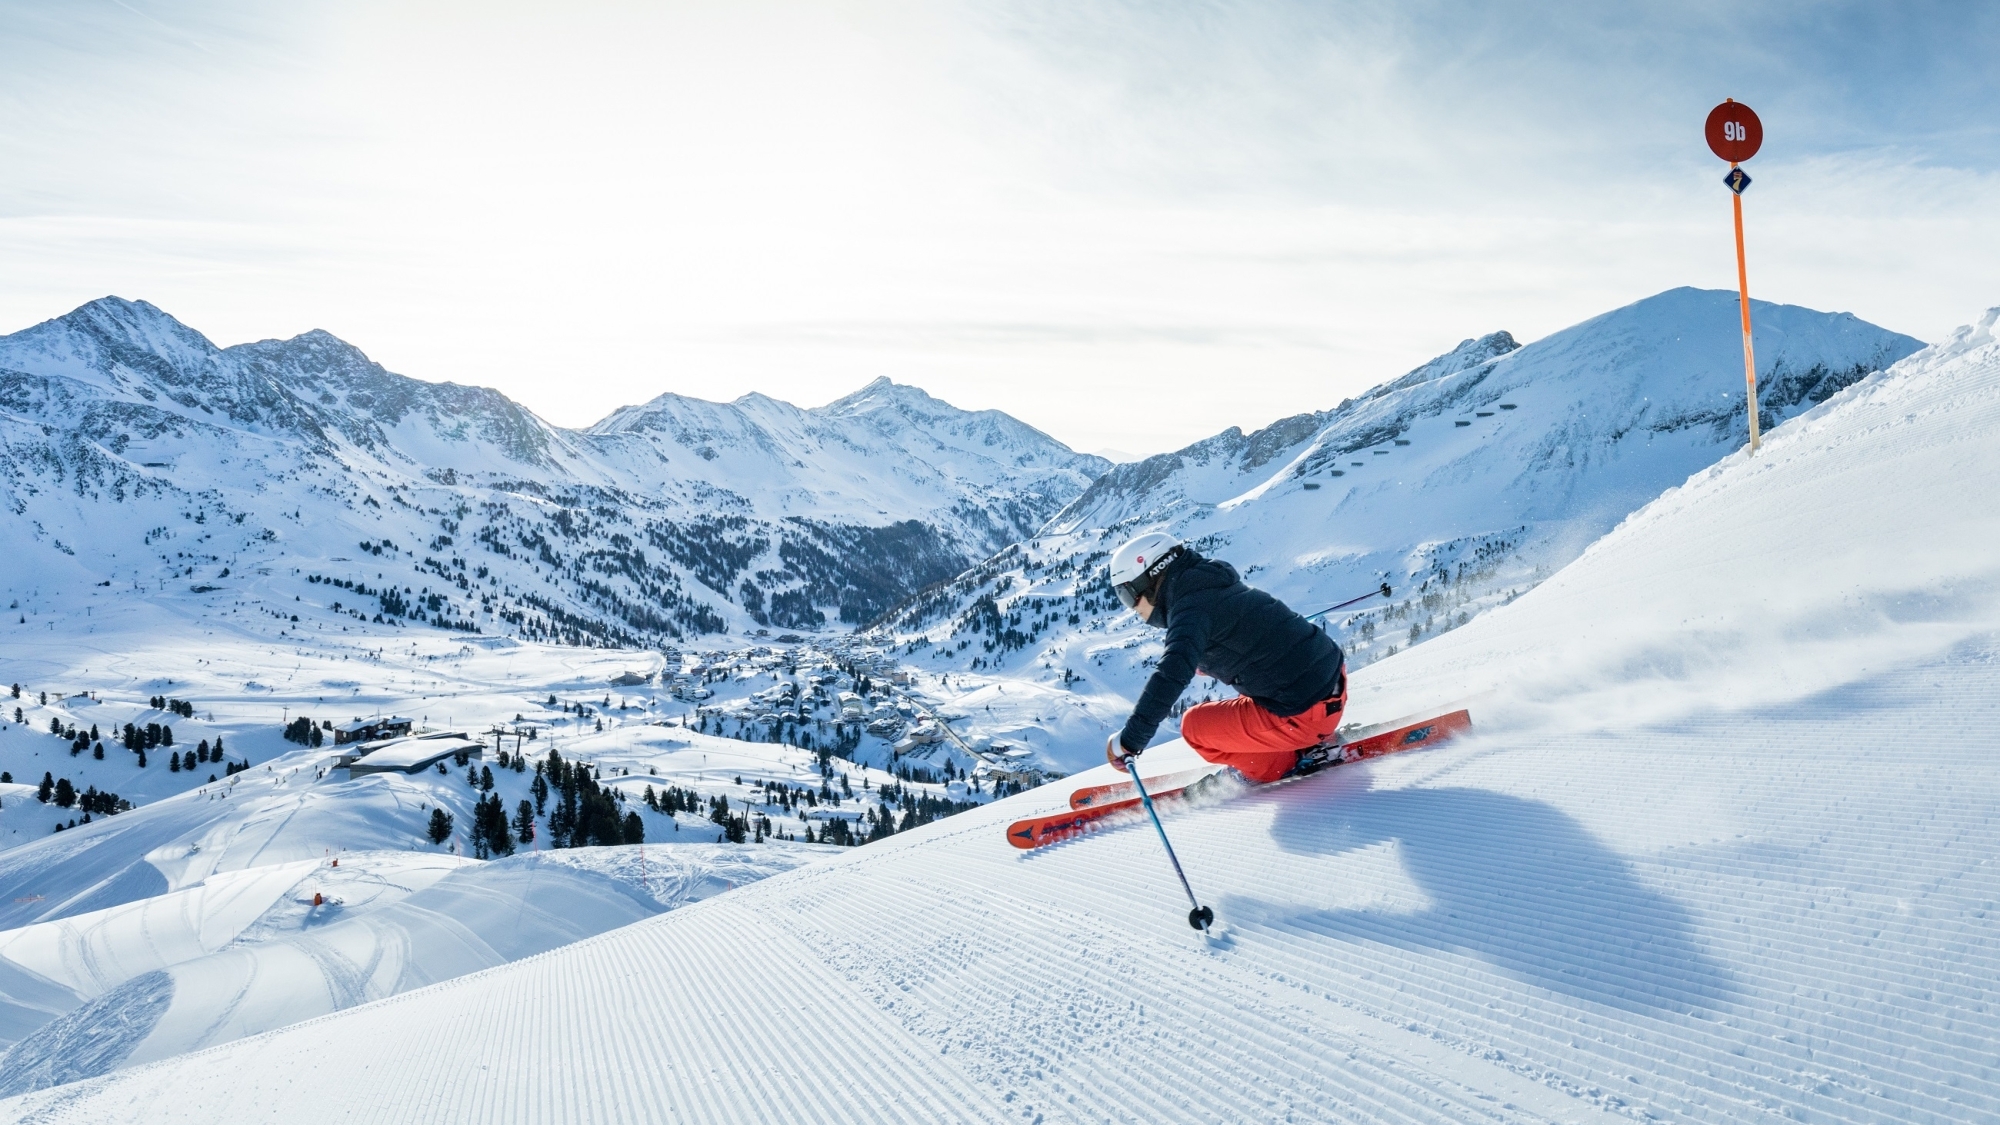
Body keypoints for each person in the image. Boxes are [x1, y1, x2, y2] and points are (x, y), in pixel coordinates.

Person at [1105, 531, 1347, 784]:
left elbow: (1171, 674)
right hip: (1331, 684)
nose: (1132, 608)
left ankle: (1282, 764)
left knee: (1194, 727)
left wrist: (1131, 740)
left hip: (1304, 714)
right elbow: (1249, 639)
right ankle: (1307, 743)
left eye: (1127, 594)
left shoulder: (1191, 610)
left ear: (1151, 580)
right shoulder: (1210, 585)